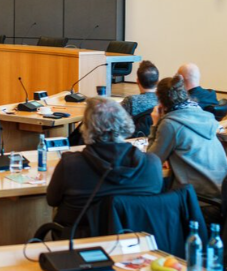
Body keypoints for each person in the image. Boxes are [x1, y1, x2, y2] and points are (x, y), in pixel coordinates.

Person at [47, 97, 164, 231]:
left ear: (86, 127)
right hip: (136, 239)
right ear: (125, 121)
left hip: (80, 239)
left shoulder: (70, 165)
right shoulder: (152, 164)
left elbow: (52, 200)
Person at [147, 75, 227, 203]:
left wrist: (155, 124)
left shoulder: (170, 124)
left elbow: (151, 161)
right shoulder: (205, 116)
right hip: (225, 194)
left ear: (161, 102)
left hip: (198, 199)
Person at [120, 60, 160, 137]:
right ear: (157, 81)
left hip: (134, 141)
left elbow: (118, 123)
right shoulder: (163, 100)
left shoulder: (130, 101)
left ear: (137, 81)